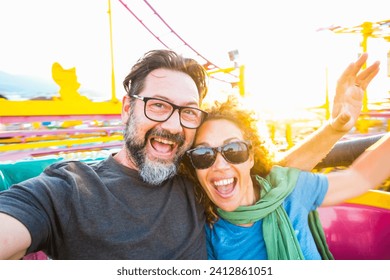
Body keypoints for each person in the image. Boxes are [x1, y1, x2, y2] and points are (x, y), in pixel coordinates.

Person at [0, 50, 380, 259]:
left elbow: (266, 176)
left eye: (187, 112)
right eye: (158, 106)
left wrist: (337, 127)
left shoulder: (195, 178)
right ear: (126, 108)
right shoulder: (66, 189)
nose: (173, 125)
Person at [183, 95, 390, 260]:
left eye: (233, 150)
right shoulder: (206, 232)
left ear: (251, 157)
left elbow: (359, 178)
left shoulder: (289, 189)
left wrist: (337, 125)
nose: (219, 164)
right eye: (203, 155)